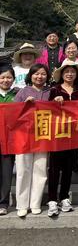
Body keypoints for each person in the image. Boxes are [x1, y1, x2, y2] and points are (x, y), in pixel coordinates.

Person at [47, 61, 78, 217]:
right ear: (62, 74)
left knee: (69, 167)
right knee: (55, 167)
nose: (70, 74)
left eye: (72, 72)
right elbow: (46, 109)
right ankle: (51, 199)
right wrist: (54, 102)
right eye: (67, 72)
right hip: (57, 133)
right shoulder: (54, 90)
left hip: (74, 134)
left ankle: (64, 197)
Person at [14, 64, 51, 217]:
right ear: (31, 75)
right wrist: (24, 105)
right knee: (23, 169)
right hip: (24, 136)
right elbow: (13, 114)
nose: (39, 77)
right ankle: (22, 204)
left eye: (43, 74)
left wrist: (59, 101)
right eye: (36, 74)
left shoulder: (50, 92)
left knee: (40, 170)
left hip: (43, 135)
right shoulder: (23, 92)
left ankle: (35, 203)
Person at [0, 64, 18, 215]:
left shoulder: (18, 95)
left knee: (6, 172)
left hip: (10, 140)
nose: (6, 80)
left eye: (9, 77)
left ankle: (3, 203)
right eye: (3, 77)